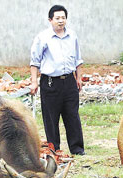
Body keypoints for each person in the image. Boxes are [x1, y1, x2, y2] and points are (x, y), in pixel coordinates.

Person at [30, 5, 85, 156]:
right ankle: (54, 149)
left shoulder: (72, 36)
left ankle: (77, 149)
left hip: (69, 81)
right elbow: (35, 62)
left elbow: (78, 59)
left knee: (72, 115)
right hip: (50, 83)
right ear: (50, 20)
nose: (61, 21)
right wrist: (34, 82)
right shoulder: (43, 38)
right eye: (57, 18)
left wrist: (78, 78)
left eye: (63, 18)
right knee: (50, 117)